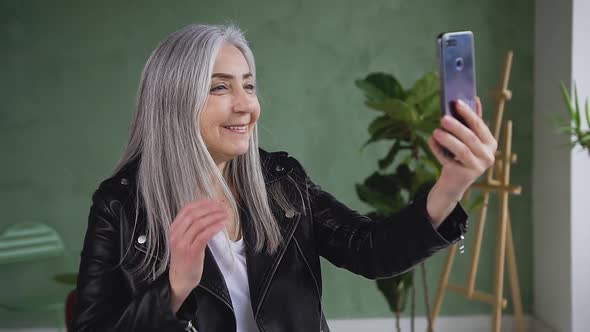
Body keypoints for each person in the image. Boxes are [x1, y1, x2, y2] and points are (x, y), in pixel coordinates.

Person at [72, 24, 497, 332]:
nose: (245, 106)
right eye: (220, 88)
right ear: (174, 101)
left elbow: (372, 250)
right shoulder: (121, 207)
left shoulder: (281, 182)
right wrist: (175, 289)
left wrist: (452, 182)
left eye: (249, 86)